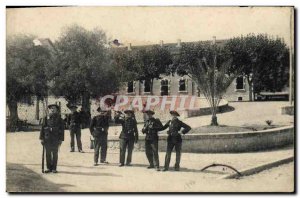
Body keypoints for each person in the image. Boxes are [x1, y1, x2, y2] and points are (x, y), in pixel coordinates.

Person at [39, 104, 64, 173]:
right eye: (51, 108)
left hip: (56, 138)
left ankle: (54, 168)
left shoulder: (59, 119)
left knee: (55, 153)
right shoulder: (46, 118)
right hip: (47, 138)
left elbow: (62, 130)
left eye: (54, 108)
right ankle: (48, 168)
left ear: (57, 110)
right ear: (49, 110)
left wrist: (61, 139)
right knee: (48, 153)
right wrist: (41, 138)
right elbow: (42, 128)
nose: (52, 110)